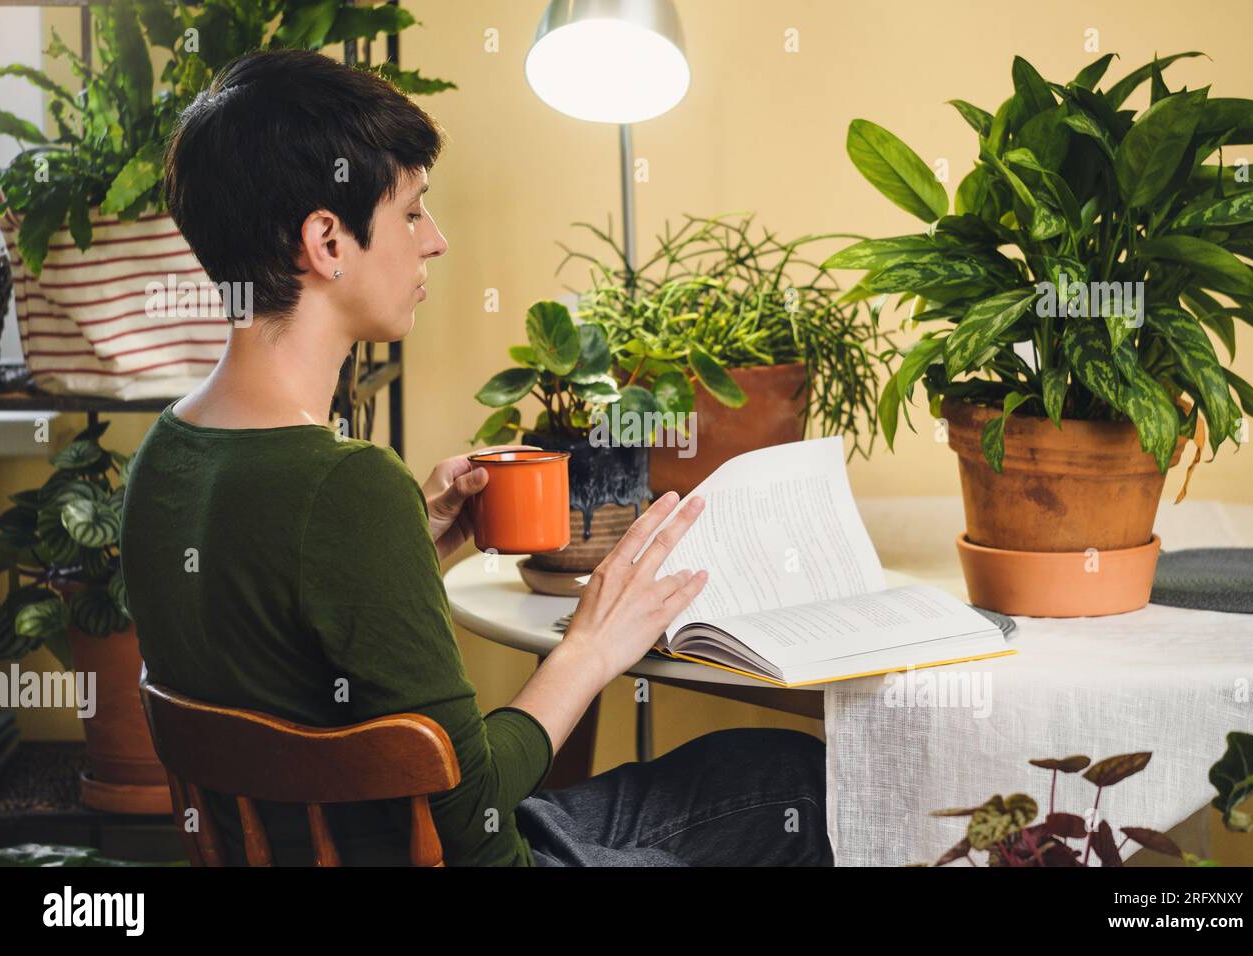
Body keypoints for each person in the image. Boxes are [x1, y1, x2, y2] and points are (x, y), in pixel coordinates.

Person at [119, 48, 832, 867]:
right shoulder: (347, 485)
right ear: (326, 241)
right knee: (807, 789)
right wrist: (593, 648)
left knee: (770, 770)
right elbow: (472, 815)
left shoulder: (165, 456)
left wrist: (410, 546)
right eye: (414, 213)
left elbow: (277, 654)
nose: (438, 242)